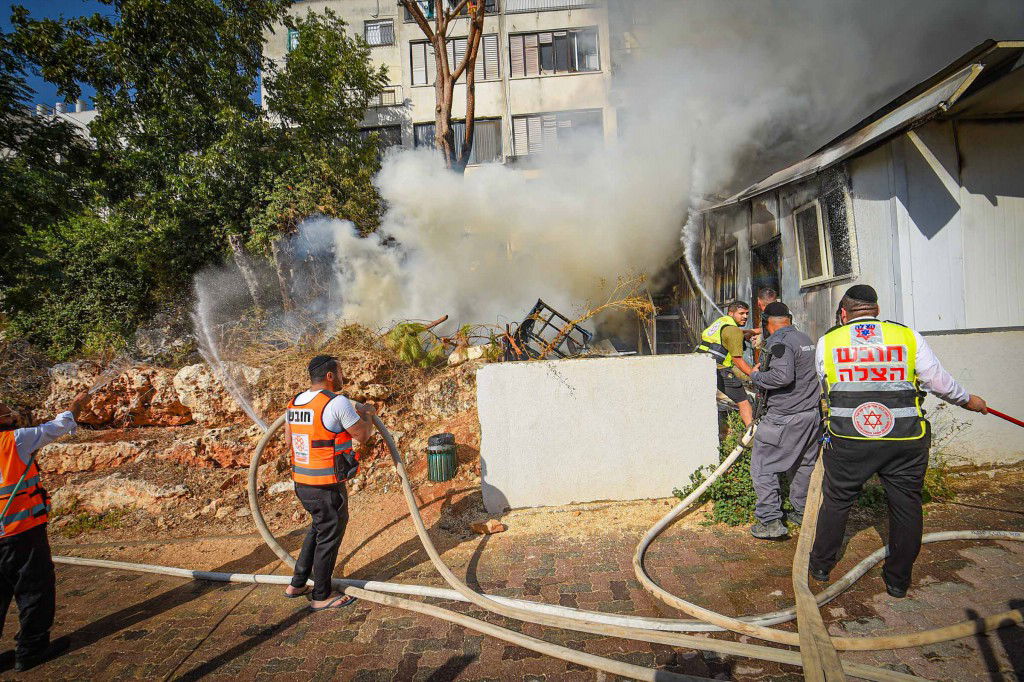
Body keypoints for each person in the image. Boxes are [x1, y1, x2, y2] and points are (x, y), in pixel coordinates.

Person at [809, 285, 988, 597]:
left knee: (837, 500)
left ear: (843, 314)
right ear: (877, 311)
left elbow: (825, 382)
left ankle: (821, 566)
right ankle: (898, 580)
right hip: (904, 437)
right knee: (906, 505)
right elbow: (938, 382)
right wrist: (968, 400)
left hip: (850, 436)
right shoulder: (907, 336)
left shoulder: (829, 341)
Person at [0, 391, 91, 671]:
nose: (12, 416)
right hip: (20, 533)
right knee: (34, 589)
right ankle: (32, 650)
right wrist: (77, 405)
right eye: (6, 413)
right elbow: (59, 426)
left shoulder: (17, 440)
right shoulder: (15, 440)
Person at [283, 355, 377, 610]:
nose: (343, 376)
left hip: (302, 483)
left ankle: (297, 583)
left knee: (319, 528)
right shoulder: (337, 402)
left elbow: (289, 442)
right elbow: (363, 435)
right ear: (329, 376)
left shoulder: (295, 403)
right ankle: (321, 596)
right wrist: (368, 414)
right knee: (329, 536)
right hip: (326, 485)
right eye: (340, 371)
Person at [747, 302, 821, 540]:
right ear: (788, 319)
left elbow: (781, 376)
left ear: (766, 322)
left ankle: (770, 521)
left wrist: (756, 375)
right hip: (810, 415)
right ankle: (803, 512)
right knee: (803, 465)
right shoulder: (804, 338)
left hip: (784, 417)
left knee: (763, 465)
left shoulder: (778, 342)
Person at [697, 301, 756, 426]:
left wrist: (755, 331)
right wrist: (754, 374)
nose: (745, 316)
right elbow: (737, 360)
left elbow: (731, 334)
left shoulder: (722, 322)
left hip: (703, 364)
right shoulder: (733, 331)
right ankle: (752, 432)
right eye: (741, 313)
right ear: (731, 313)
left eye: (747, 313)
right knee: (743, 400)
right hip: (720, 369)